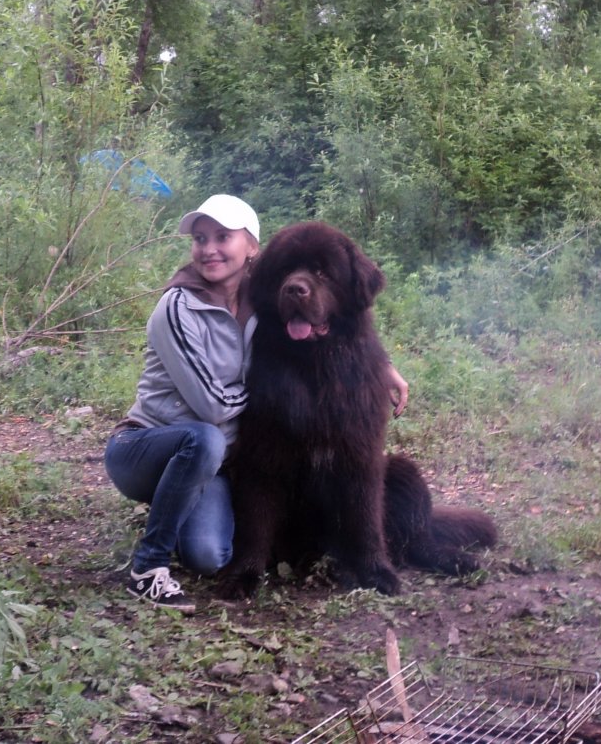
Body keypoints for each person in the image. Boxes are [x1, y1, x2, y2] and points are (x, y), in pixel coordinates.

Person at [104, 194, 409, 613]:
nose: (209, 248)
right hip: (152, 446)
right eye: (200, 238)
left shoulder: (257, 296)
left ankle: (368, 558)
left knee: (209, 554)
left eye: (222, 237)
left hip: (213, 461)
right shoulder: (178, 307)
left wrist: (380, 369)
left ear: (251, 249)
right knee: (208, 441)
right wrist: (273, 399)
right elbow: (215, 411)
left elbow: (356, 332)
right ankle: (150, 564)